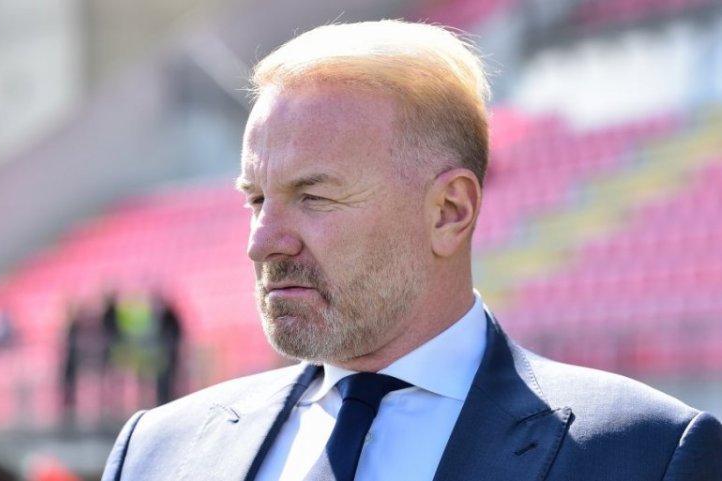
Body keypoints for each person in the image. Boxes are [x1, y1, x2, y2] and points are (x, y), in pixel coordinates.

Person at [101, 20, 722, 481]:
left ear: (450, 211)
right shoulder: (156, 451)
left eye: (313, 197)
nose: (262, 242)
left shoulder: (646, 454)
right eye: (256, 199)